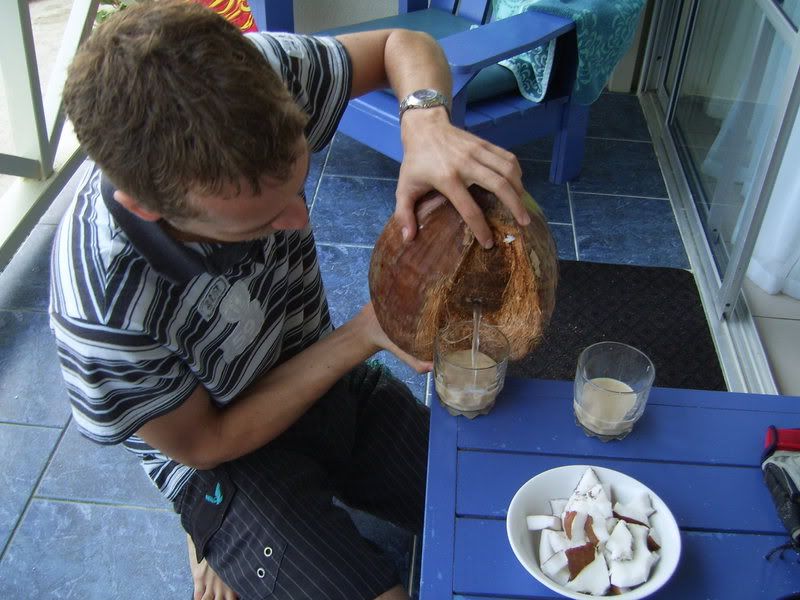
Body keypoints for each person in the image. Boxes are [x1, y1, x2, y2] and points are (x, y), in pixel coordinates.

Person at [50, 1, 527, 599]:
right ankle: (210, 525)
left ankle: (250, 524)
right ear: (148, 209)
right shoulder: (101, 306)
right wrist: (362, 335)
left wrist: (425, 123)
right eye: (260, 221)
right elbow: (204, 443)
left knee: (504, 511)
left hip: (323, 382)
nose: (300, 220)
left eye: (298, 187)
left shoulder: (256, 76)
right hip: (223, 456)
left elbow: (400, 45)